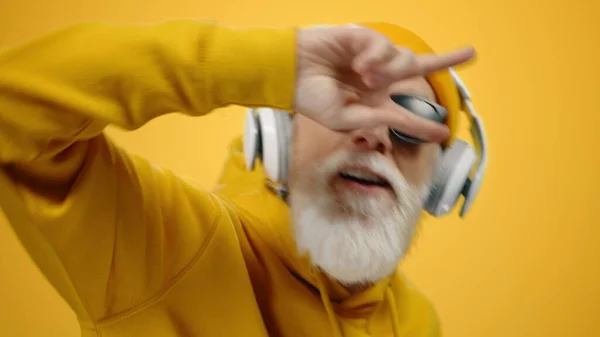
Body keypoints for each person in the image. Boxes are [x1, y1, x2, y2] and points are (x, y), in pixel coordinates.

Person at [0, 20, 477, 337]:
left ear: (442, 181)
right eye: (347, 105)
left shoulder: (418, 321)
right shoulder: (169, 249)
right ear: (279, 138)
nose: (373, 135)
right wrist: (260, 66)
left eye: (412, 117)